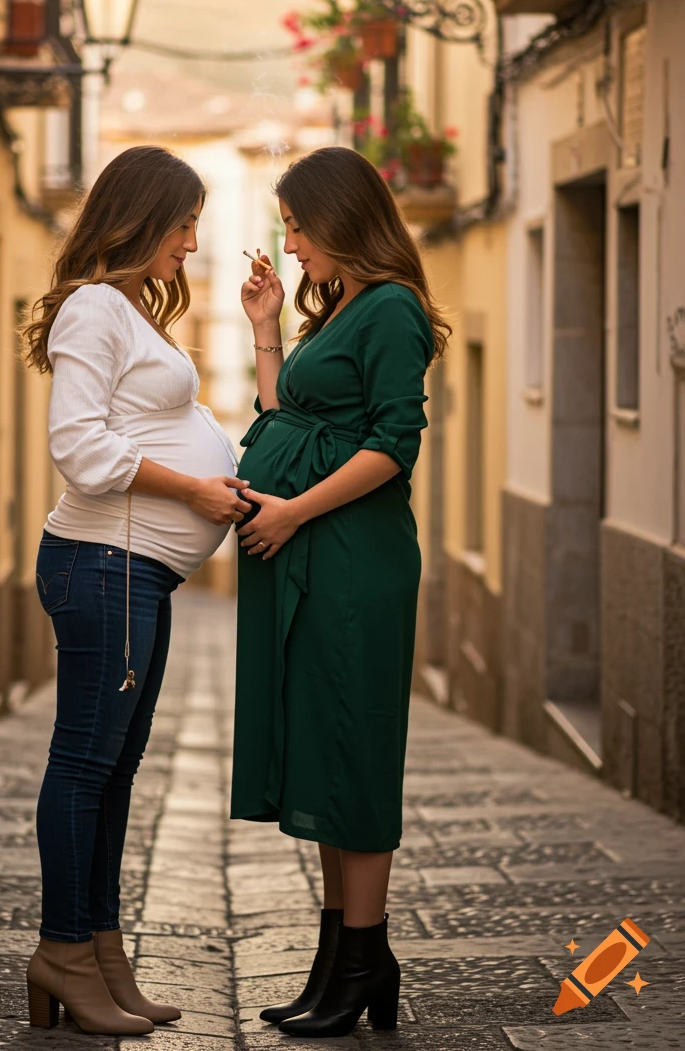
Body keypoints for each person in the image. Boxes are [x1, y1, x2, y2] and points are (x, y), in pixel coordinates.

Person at [21, 145, 250, 1035]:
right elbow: (78, 447)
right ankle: (62, 953)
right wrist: (193, 490)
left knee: (112, 770)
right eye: (184, 224)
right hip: (101, 564)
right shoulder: (92, 309)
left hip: (134, 573)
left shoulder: (126, 312)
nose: (191, 243)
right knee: (84, 764)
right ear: (143, 218)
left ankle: (102, 952)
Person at [230, 146, 451, 1038]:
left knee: (354, 750)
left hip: (357, 560)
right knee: (324, 750)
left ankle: (362, 960)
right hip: (316, 553)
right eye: (286, 228)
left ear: (340, 218)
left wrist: (291, 512)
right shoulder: (340, 309)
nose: (289, 246)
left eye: (297, 227)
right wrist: (265, 326)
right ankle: (341, 962)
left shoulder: (391, 307)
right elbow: (284, 415)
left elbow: (394, 443)